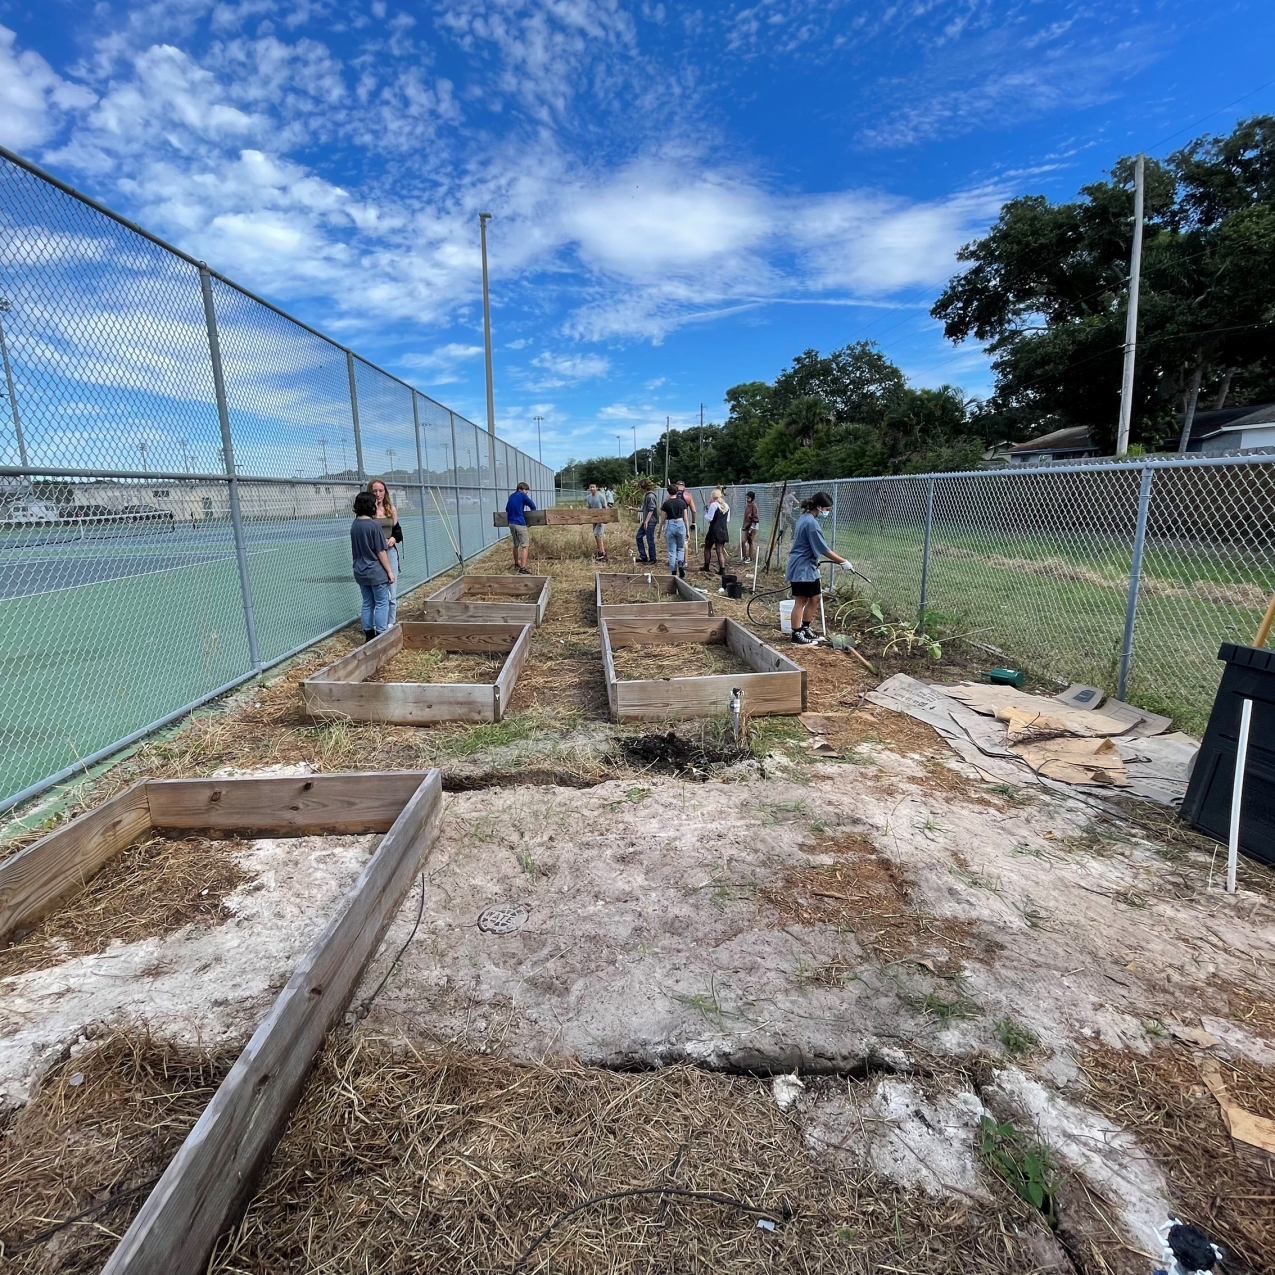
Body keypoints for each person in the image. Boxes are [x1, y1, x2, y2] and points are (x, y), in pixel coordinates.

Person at [785, 492, 852, 645]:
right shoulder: (810, 523)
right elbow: (824, 549)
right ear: (820, 507)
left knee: (816, 598)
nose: (828, 512)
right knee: (801, 600)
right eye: (827, 509)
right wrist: (843, 562)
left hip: (809, 566)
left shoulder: (808, 518)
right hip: (802, 567)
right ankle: (796, 635)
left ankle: (805, 628)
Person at [351, 490, 395, 640]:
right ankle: (381, 634)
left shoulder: (355, 525)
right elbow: (381, 551)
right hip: (375, 571)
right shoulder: (374, 526)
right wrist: (389, 571)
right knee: (382, 602)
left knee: (367, 602)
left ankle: (368, 634)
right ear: (371, 506)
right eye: (375, 503)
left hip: (360, 570)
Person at [367, 478, 403, 625]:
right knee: (377, 591)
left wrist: (393, 539)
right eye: (374, 491)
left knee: (392, 590)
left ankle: (390, 623)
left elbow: (398, 531)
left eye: (381, 491)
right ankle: (378, 623)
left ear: (385, 492)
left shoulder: (391, 509)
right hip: (374, 554)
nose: (378, 494)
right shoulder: (367, 511)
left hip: (389, 551)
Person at [505, 481, 536, 574]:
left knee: (515, 545)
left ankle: (516, 564)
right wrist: (532, 517)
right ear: (522, 489)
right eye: (526, 491)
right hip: (519, 523)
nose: (527, 493)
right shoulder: (522, 495)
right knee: (525, 546)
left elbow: (507, 509)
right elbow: (532, 506)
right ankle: (523, 568)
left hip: (511, 523)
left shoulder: (511, 496)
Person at [660, 482, 689, 577]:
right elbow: (685, 518)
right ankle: (680, 563)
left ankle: (673, 571)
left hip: (670, 524)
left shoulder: (666, 504)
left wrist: (659, 530)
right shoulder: (682, 502)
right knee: (680, 548)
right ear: (677, 491)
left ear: (668, 492)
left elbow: (663, 519)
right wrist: (688, 531)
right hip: (680, 524)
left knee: (672, 550)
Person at [702, 488, 730, 575]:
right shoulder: (727, 506)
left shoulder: (714, 505)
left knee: (707, 547)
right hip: (723, 530)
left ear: (713, 496)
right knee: (720, 551)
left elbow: (710, 518)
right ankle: (722, 569)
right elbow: (727, 520)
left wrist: (706, 513)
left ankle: (706, 566)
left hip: (714, 530)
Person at [636, 479, 658, 564]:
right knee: (638, 537)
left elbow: (651, 510)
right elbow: (644, 509)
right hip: (647, 521)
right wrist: (633, 508)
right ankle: (643, 556)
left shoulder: (650, 496)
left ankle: (653, 558)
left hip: (650, 521)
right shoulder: (647, 496)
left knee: (650, 540)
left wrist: (646, 522)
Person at [586, 483, 608, 561]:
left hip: (601, 518)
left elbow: (605, 507)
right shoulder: (588, 497)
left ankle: (602, 553)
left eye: (593, 487)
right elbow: (588, 508)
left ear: (596, 488)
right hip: (593, 519)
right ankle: (601, 551)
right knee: (596, 535)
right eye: (591, 487)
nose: (592, 488)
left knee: (598, 534)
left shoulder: (601, 496)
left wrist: (605, 518)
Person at [741, 491, 760, 562]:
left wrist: (752, 528)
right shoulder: (747, 506)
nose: (747, 499)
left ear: (752, 498)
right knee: (743, 541)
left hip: (753, 526)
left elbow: (755, 517)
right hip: (746, 526)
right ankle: (744, 557)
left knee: (750, 541)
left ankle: (750, 558)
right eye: (746, 498)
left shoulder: (754, 506)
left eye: (748, 498)